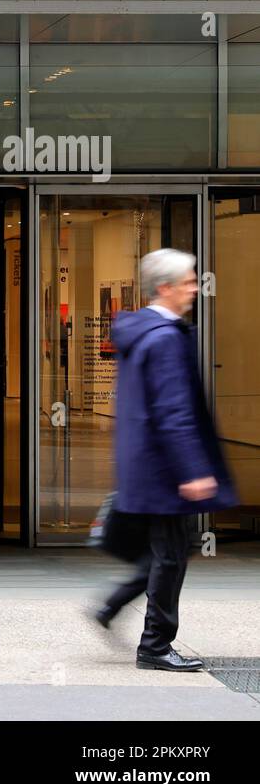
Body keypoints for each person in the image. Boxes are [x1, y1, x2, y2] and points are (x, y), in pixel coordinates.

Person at [96, 249, 238, 671]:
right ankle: (155, 646)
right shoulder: (163, 339)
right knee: (172, 554)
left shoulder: (146, 332)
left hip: (148, 463)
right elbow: (174, 413)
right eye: (188, 282)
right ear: (165, 287)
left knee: (167, 550)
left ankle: (114, 607)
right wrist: (192, 470)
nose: (195, 288)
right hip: (165, 469)